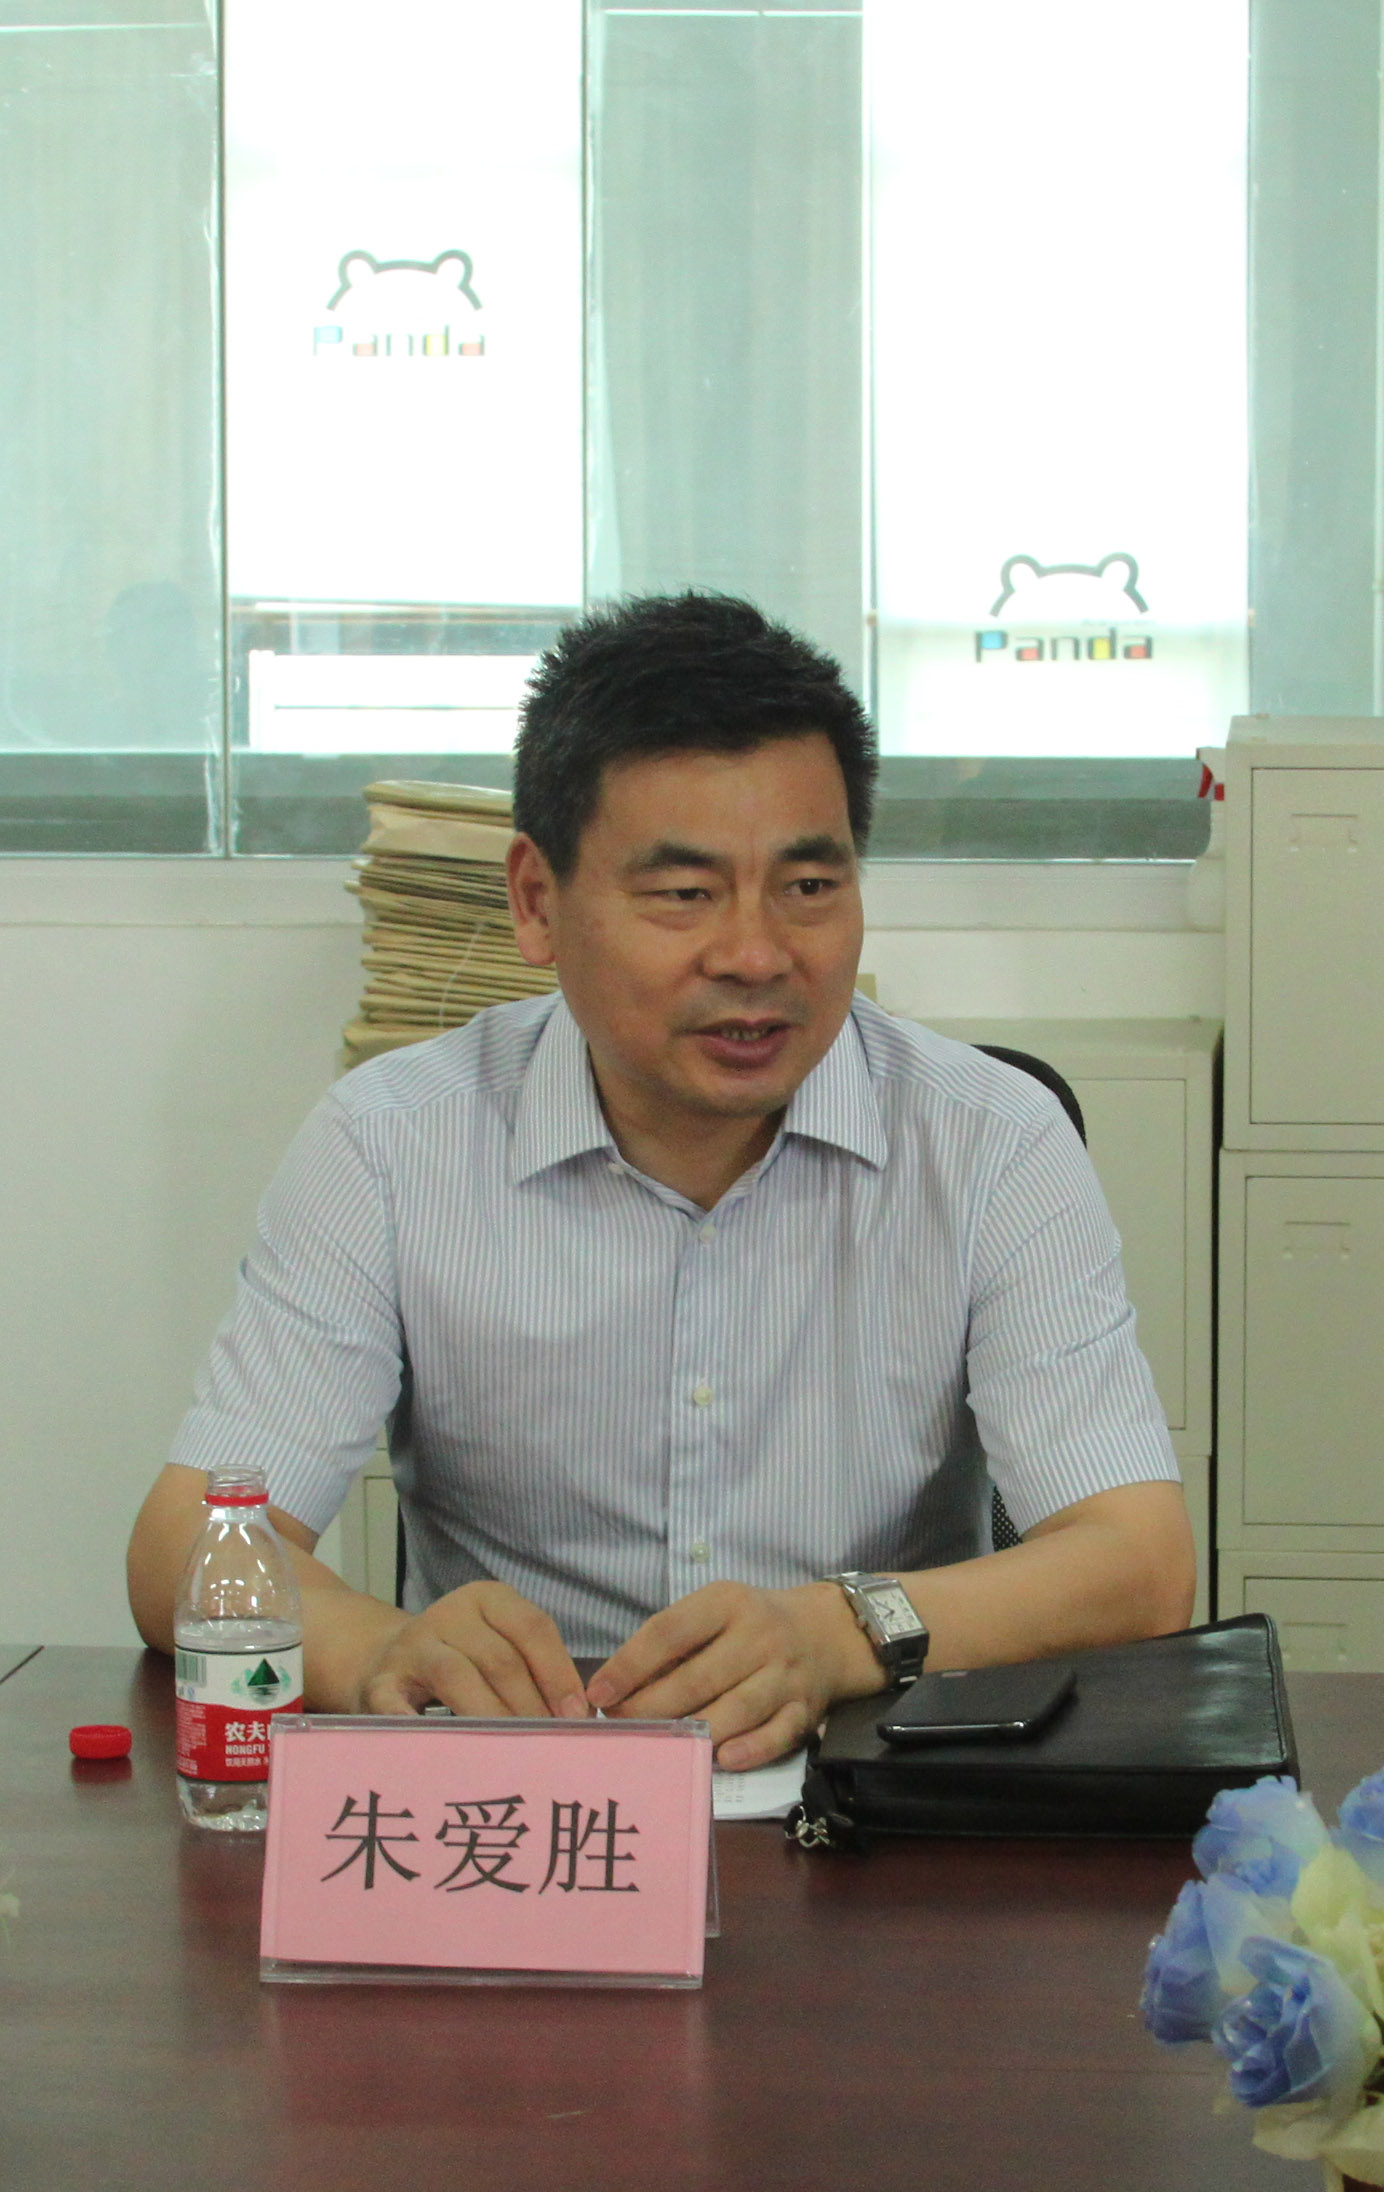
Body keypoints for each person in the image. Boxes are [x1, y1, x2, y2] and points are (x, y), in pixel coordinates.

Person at [128, 592, 1194, 1770]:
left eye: (808, 885)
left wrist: (837, 1629)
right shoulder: (392, 1144)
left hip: (871, 1781)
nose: (755, 953)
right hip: (519, 1786)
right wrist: (386, 1650)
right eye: (684, 894)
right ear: (537, 901)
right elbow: (188, 1544)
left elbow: (1136, 1558)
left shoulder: (990, 1141)